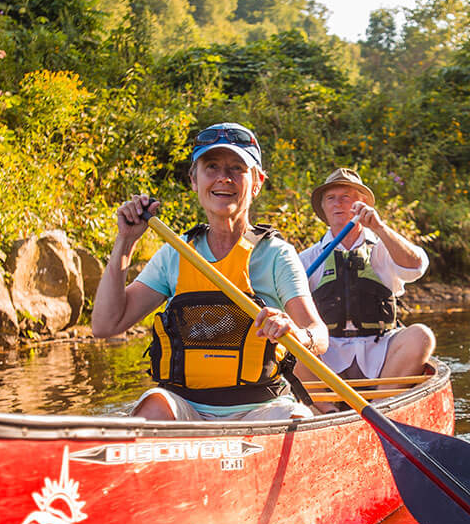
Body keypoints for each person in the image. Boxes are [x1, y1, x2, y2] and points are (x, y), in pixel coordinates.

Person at [91, 122, 327, 421]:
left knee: (295, 418)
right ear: (194, 179)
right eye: (211, 167)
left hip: (261, 410)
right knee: (154, 403)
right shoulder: (174, 253)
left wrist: (295, 332)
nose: (223, 178)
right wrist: (125, 242)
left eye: (236, 169)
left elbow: (319, 335)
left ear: (257, 181)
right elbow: (105, 325)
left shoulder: (276, 255)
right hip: (186, 409)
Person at [297, 167, 435, 385]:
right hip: (328, 353)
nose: (337, 203)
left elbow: (416, 267)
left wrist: (379, 228)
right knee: (288, 344)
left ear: (361, 206)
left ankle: (382, 406)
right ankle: (327, 411)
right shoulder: (307, 258)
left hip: (380, 351)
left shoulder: (383, 248)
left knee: (422, 335)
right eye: (331, 198)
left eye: (345, 197)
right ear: (323, 208)